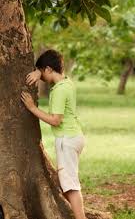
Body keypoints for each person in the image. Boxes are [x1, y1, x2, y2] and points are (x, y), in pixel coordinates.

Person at [21, 50, 86, 219]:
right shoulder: (67, 83)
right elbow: (49, 71)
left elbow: (56, 120)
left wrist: (32, 108)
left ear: (49, 69)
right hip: (75, 136)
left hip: (67, 140)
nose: (40, 78)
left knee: (70, 186)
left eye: (42, 73)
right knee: (65, 182)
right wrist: (38, 70)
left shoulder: (58, 91)